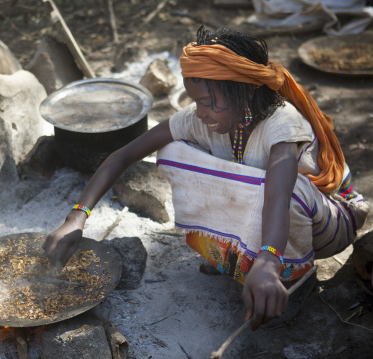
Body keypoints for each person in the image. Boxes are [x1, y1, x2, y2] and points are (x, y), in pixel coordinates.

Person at [43, 25, 370, 331]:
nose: (200, 112)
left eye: (207, 102)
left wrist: (269, 262)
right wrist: (77, 217)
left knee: (289, 190)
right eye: (195, 101)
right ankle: (236, 260)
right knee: (174, 154)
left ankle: (290, 279)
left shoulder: (282, 125)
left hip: (327, 220)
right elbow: (123, 155)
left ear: (244, 91)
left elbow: (279, 198)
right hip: (271, 212)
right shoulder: (203, 118)